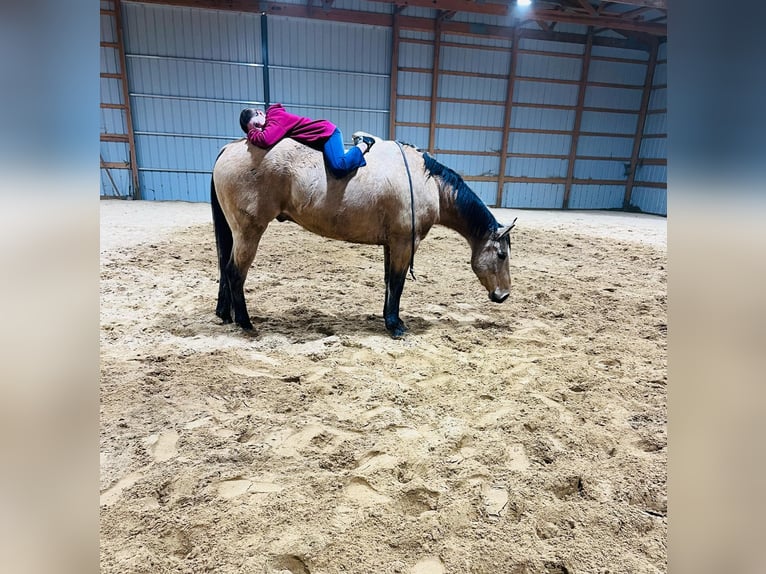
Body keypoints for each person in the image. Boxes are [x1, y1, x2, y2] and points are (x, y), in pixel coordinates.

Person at [239, 104, 376, 178]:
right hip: (317, 141)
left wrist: (252, 133)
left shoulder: (276, 117)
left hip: (327, 134)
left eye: (257, 125)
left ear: (260, 113)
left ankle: (364, 143)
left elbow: (266, 140)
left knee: (339, 167)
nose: (260, 129)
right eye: (256, 129)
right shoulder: (271, 122)